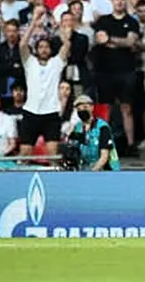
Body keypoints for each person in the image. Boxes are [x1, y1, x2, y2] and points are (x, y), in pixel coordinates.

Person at [91, 0, 141, 152]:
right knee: (106, 108)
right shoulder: (103, 21)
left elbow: (130, 42)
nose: (119, 2)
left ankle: (130, 144)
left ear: (125, 0)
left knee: (127, 108)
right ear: (112, 1)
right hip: (105, 70)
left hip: (126, 71)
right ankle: (102, 143)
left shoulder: (132, 22)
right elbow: (99, 40)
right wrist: (120, 42)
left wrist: (110, 40)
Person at [19, 12, 71, 156]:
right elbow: (23, 44)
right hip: (31, 112)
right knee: (24, 153)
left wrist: (57, 26)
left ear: (50, 49)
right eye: (40, 47)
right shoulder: (30, 62)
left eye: (46, 47)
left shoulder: (56, 63)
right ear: (36, 49)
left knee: (53, 154)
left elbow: (67, 44)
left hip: (51, 113)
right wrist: (34, 22)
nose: (43, 49)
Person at [69, 95, 120, 171]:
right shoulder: (77, 128)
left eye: (85, 107)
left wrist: (91, 173)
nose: (82, 110)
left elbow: (104, 157)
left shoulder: (102, 127)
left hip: (106, 171)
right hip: (85, 169)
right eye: (79, 109)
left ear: (92, 107)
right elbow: (74, 150)